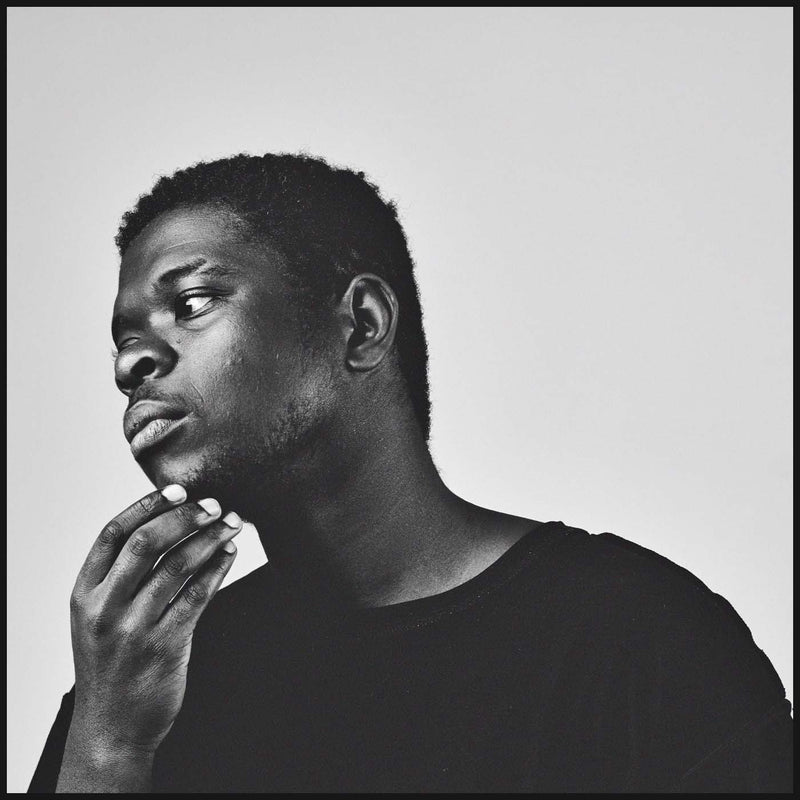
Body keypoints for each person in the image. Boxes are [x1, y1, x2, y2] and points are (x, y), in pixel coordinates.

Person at [29, 153, 792, 793]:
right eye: (123, 341)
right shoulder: (142, 678)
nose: (132, 363)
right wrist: (107, 747)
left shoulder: (642, 642)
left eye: (191, 303)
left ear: (361, 325)